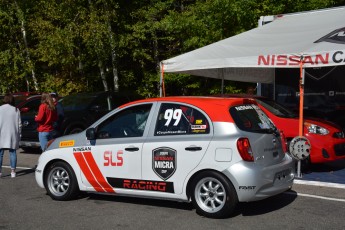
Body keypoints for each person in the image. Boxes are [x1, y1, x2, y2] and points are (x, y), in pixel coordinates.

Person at [0, 93, 22, 178]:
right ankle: (13, 172)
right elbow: (19, 124)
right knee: (12, 152)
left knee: (0, 153)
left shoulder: (0, 109)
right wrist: (19, 135)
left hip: (1, 133)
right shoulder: (16, 110)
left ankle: (0, 172)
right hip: (12, 133)